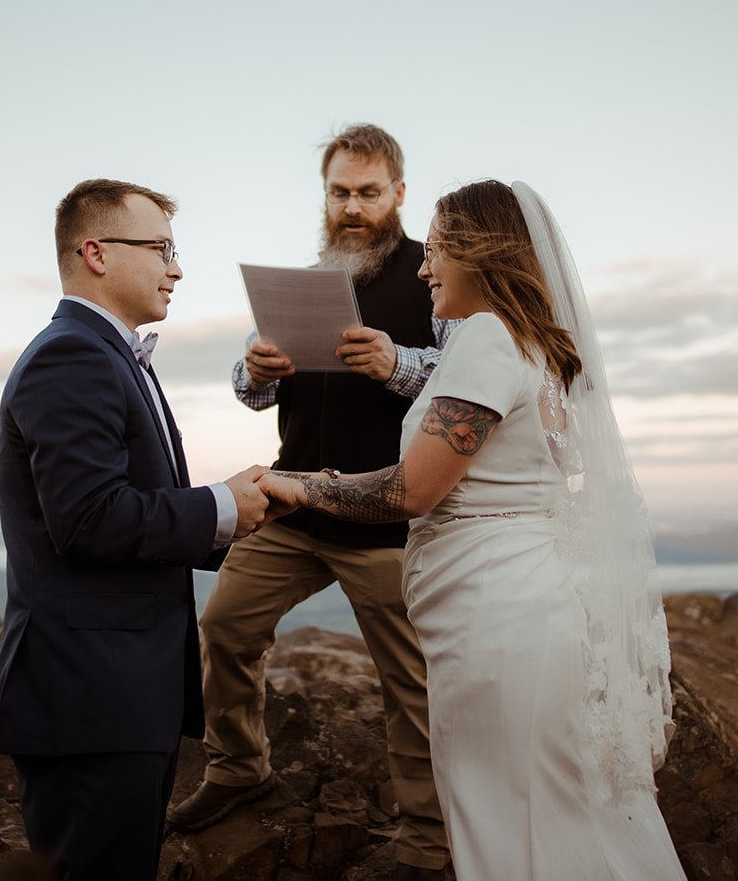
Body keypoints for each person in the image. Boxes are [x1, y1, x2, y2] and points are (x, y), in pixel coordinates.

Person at [259, 180, 686, 880]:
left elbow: (412, 488)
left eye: (441, 251)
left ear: (482, 255)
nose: (425, 268)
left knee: (506, 825)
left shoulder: (488, 335)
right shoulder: (542, 347)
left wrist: (295, 484)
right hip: (529, 606)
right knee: (561, 815)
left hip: (498, 622)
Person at [169, 124, 452, 879]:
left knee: (411, 683)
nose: (351, 207)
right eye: (339, 192)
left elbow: (472, 382)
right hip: (293, 503)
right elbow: (251, 393)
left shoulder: (436, 275)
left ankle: (428, 839)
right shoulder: (307, 276)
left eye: (367, 192)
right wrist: (256, 368)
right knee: (224, 628)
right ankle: (237, 769)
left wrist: (395, 365)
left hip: (387, 515)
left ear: (397, 193)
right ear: (324, 195)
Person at [0, 178, 275, 880]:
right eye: (162, 249)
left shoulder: (109, 354)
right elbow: (89, 519)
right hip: (89, 700)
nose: (176, 268)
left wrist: (238, 507)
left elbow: (129, 504)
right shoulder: (73, 356)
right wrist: (222, 506)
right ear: (95, 252)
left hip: (117, 698)